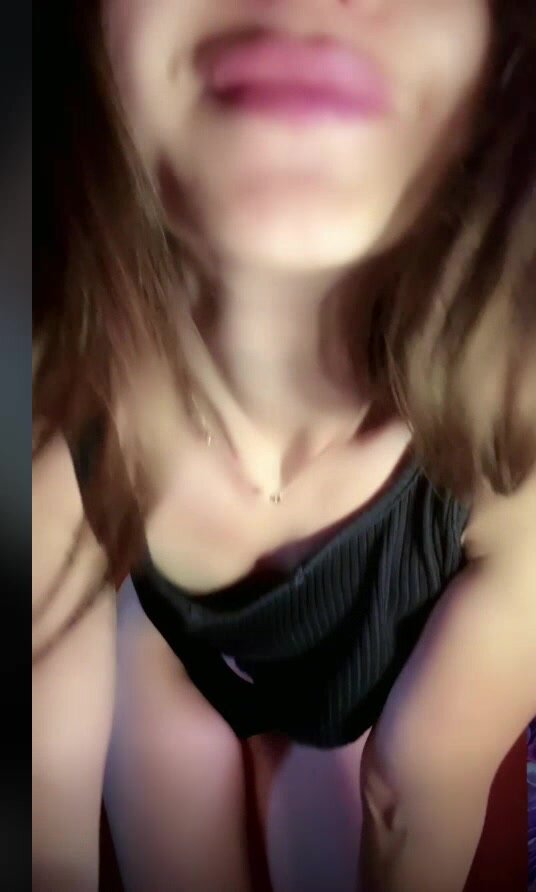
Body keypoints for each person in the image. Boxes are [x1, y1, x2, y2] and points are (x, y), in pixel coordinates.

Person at [32, 1, 536, 891]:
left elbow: (418, 791)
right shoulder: (48, 391)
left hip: (359, 703)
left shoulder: (517, 431)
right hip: (173, 661)